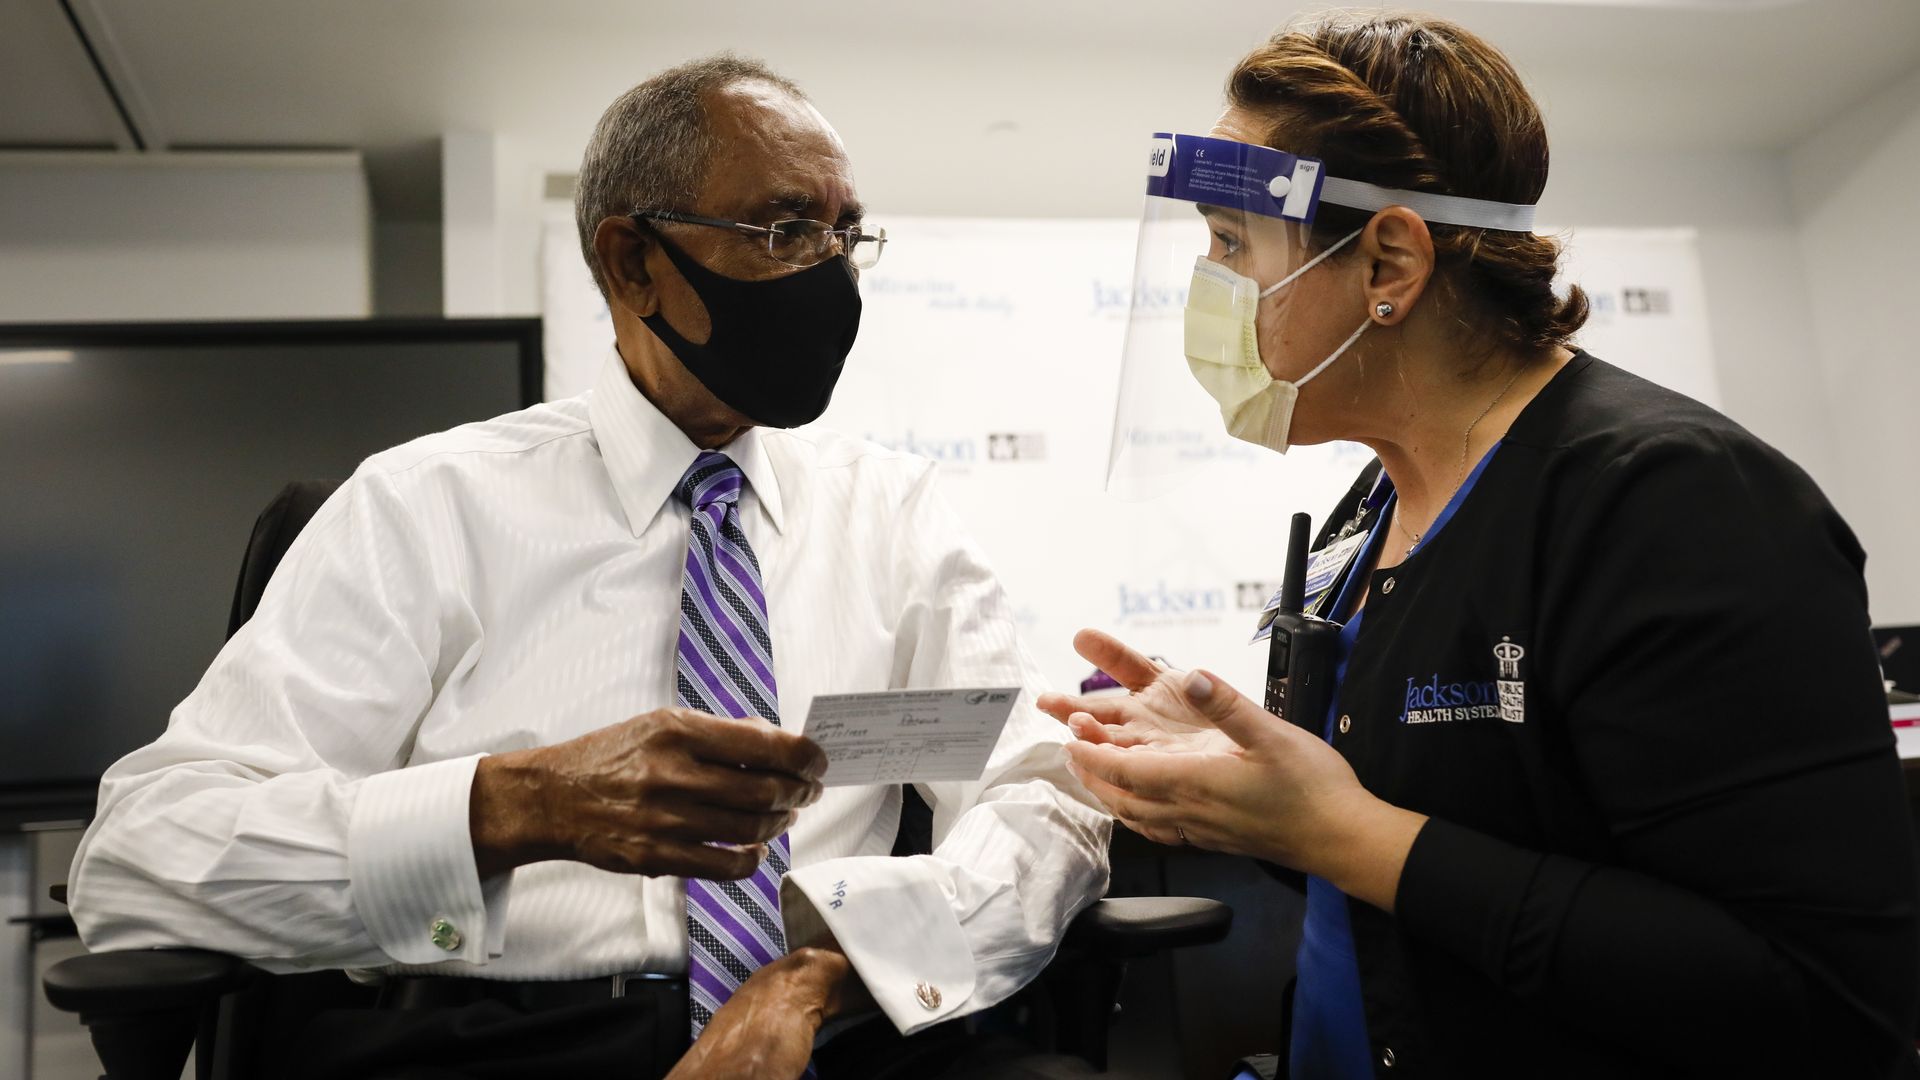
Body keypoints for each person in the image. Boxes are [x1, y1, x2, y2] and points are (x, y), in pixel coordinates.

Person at [68, 55, 1109, 1080]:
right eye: (785, 229)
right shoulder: (424, 505)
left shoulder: (893, 514)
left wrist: (826, 976)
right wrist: (510, 808)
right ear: (633, 263)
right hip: (504, 1038)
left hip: (832, 1024)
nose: (829, 272)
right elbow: (141, 856)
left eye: (844, 233)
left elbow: (1039, 802)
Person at [1039, 12, 1918, 1079]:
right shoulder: (1374, 506)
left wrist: (1339, 832)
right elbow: (1381, 862)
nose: (1209, 288)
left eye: (1231, 244)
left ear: (1389, 264)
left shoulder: (1670, 501)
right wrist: (1251, 788)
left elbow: (1814, 999)